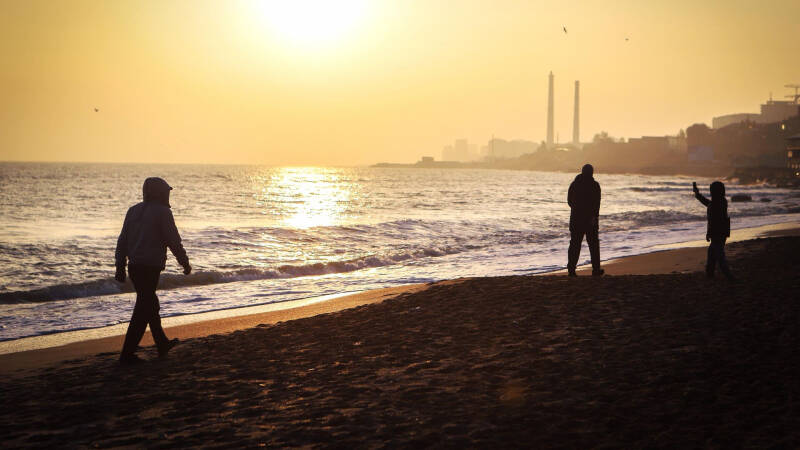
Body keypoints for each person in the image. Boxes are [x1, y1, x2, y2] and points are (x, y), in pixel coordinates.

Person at [115, 177, 192, 364]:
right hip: (150, 268)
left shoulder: (132, 211)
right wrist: (184, 262)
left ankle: (161, 343)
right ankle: (127, 354)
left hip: (135, 267)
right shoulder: (163, 212)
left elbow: (122, 241)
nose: (167, 196)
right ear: (159, 193)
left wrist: (120, 266)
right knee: (144, 309)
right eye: (166, 192)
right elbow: (173, 240)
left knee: (149, 306)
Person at [567, 164, 604, 277]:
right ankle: (596, 270)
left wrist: (577, 210)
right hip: (590, 220)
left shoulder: (574, 184)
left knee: (575, 244)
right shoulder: (595, 185)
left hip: (576, 219)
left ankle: (571, 270)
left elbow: (569, 201)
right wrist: (593, 217)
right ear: (592, 173)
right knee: (593, 245)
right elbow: (596, 205)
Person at [692, 181, 733, 280]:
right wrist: (697, 194)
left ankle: (729, 276)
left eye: (711, 190)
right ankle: (710, 274)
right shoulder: (720, 201)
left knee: (719, 256)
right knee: (712, 253)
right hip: (720, 232)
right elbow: (708, 204)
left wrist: (709, 233)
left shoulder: (718, 203)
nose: (710, 192)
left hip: (718, 233)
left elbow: (715, 221)